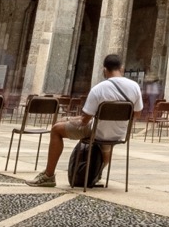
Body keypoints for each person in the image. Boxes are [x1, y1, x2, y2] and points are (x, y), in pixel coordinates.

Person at [30, 53, 142, 187]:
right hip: (119, 134)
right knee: (107, 144)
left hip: (97, 132)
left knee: (56, 130)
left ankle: (48, 175)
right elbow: (137, 114)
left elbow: (84, 121)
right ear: (122, 69)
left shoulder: (99, 89)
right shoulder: (135, 86)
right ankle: (97, 174)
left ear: (104, 70)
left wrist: (68, 119)